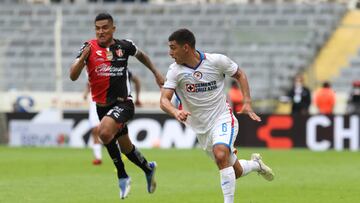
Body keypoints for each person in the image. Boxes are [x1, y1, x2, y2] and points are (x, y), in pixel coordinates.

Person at [160, 28, 274, 203]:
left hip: (222, 117)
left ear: (186, 47)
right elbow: (164, 100)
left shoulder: (216, 61)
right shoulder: (175, 71)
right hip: (201, 128)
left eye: (173, 48)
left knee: (221, 154)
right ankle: (255, 164)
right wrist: (175, 111)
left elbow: (240, 74)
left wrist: (247, 102)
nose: (170, 53)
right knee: (234, 171)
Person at [69, 13, 164, 199]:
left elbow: (142, 55)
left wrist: (156, 73)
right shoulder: (88, 47)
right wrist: (82, 60)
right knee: (127, 148)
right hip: (102, 107)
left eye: (105, 27)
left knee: (104, 132)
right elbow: (72, 75)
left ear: (113, 28)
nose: (101, 31)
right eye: (97, 28)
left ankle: (122, 175)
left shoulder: (124, 46)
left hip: (123, 103)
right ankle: (148, 168)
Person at [83, 83, 103, 165]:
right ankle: (98, 158)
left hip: (106, 100)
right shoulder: (89, 70)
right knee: (95, 130)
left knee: (113, 130)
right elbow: (89, 83)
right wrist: (86, 93)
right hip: (94, 102)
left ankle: (122, 154)